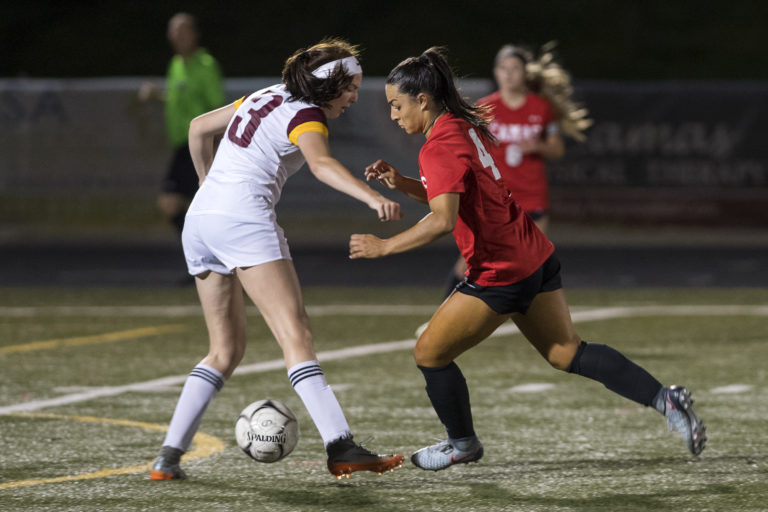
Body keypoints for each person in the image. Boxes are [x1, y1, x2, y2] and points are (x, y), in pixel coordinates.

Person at [349, 47, 706, 472]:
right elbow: (453, 195)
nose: (393, 115)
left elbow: (443, 219)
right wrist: (402, 182)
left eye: (396, 104)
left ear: (422, 100)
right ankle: (665, 400)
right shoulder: (463, 126)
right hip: (534, 255)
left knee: (429, 353)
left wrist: (384, 246)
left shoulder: (439, 145)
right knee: (566, 352)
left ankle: (462, 444)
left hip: (501, 271)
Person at [150, 38, 404, 481]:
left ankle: (167, 458)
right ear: (330, 84)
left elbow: (197, 128)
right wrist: (370, 197)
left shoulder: (266, 94)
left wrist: (208, 182)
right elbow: (322, 165)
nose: (353, 97)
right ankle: (341, 446)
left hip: (201, 220)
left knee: (224, 350)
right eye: (350, 87)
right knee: (296, 335)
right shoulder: (307, 115)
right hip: (242, 220)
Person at [442, 43, 592, 297]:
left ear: (525, 73)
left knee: (537, 263)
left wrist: (538, 145)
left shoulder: (541, 107)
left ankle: (544, 324)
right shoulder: (484, 108)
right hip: (496, 199)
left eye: (515, 68)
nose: (509, 74)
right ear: (496, 72)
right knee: (469, 263)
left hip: (532, 196)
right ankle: (441, 317)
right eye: (503, 68)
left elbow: (557, 149)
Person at [139, 12, 225, 236]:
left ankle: (206, 257)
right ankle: (206, 258)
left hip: (198, 144)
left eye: (183, 30)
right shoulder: (176, 64)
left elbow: (218, 107)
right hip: (181, 144)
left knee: (174, 202)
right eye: (173, 31)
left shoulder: (206, 65)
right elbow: (178, 95)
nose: (177, 36)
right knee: (186, 205)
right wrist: (157, 95)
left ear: (195, 34)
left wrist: (214, 146)